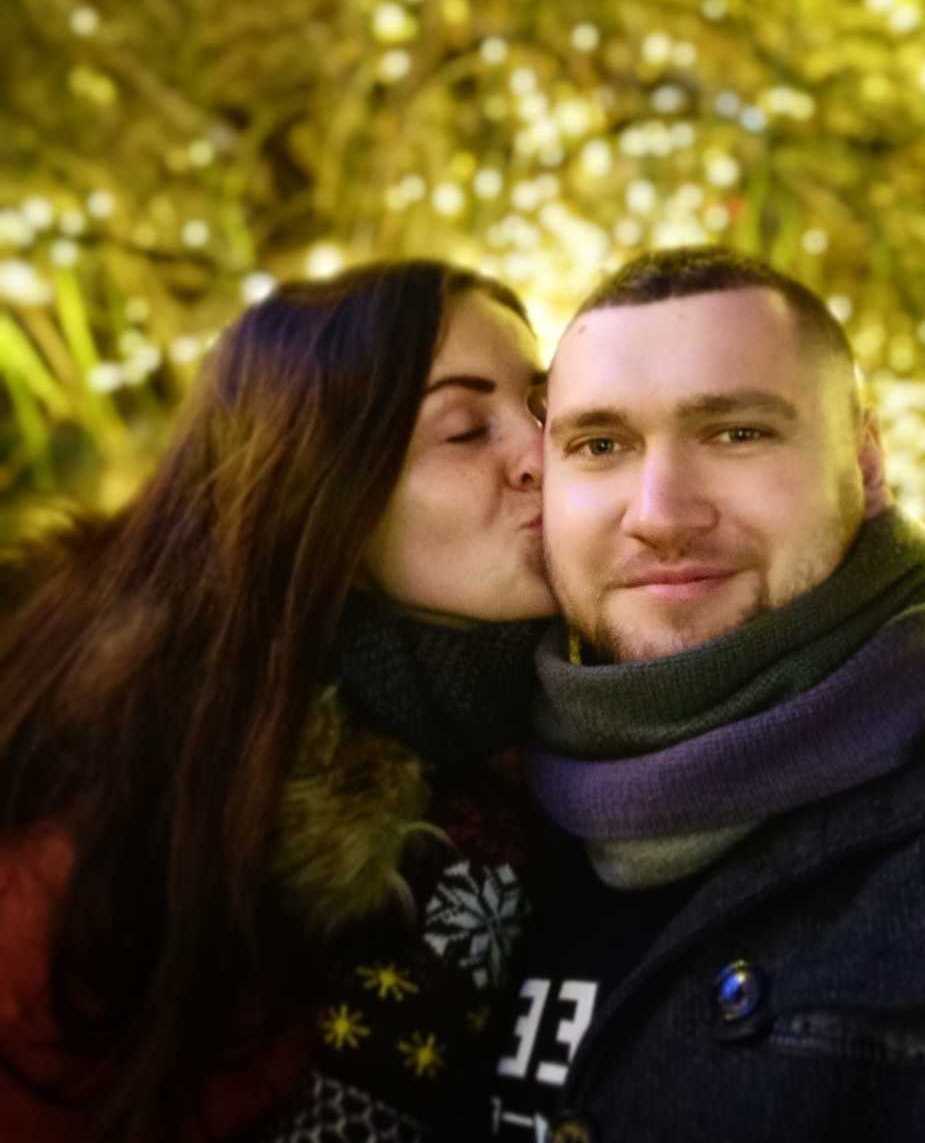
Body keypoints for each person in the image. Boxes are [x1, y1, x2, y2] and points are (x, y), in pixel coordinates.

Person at [487, 245, 925, 1143]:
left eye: (737, 433)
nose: (660, 514)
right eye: (600, 446)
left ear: (864, 463)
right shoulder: (477, 838)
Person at [0, 259, 554, 1143]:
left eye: (544, 405)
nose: (543, 454)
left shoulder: (600, 739)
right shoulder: (127, 807)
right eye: (463, 430)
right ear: (326, 494)